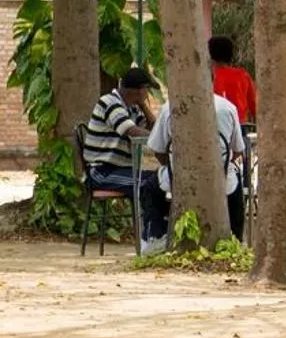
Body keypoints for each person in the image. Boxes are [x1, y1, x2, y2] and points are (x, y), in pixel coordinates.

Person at [146, 87, 247, 243]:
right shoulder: (227, 107)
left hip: (180, 181)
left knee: (149, 187)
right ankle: (236, 237)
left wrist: (177, 167)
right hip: (221, 181)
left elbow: (158, 150)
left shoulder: (169, 107)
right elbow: (238, 151)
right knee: (235, 181)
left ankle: (156, 237)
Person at [83, 66, 166, 242]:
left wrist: (144, 107)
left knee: (161, 179)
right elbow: (132, 131)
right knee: (147, 184)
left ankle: (159, 233)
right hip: (101, 172)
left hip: (120, 170)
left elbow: (153, 127)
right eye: (146, 90)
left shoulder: (131, 108)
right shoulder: (110, 102)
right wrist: (161, 138)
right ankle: (151, 237)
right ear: (137, 90)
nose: (148, 94)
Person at [209, 36, 256, 126]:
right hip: (240, 125)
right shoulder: (243, 75)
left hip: (217, 125)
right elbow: (254, 107)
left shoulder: (209, 77)